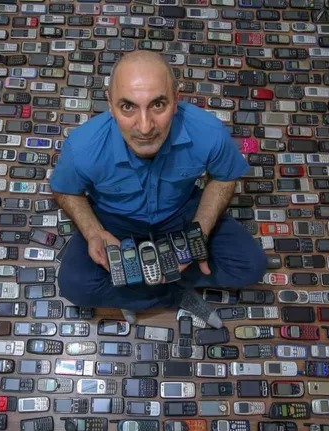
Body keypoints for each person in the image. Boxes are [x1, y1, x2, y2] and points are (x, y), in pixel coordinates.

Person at [49, 50, 266, 328]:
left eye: (158, 105)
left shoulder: (210, 133)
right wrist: (93, 232)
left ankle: (135, 290)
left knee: (251, 266)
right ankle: (175, 293)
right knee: (74, 286)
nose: (144, 127)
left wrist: (198, 232)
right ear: (110, 105)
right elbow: (65, 190)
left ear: (176, 100)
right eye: (128, 107)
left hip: (181, 211)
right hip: (113, 219)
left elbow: (224, 178)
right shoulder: (81, 147)